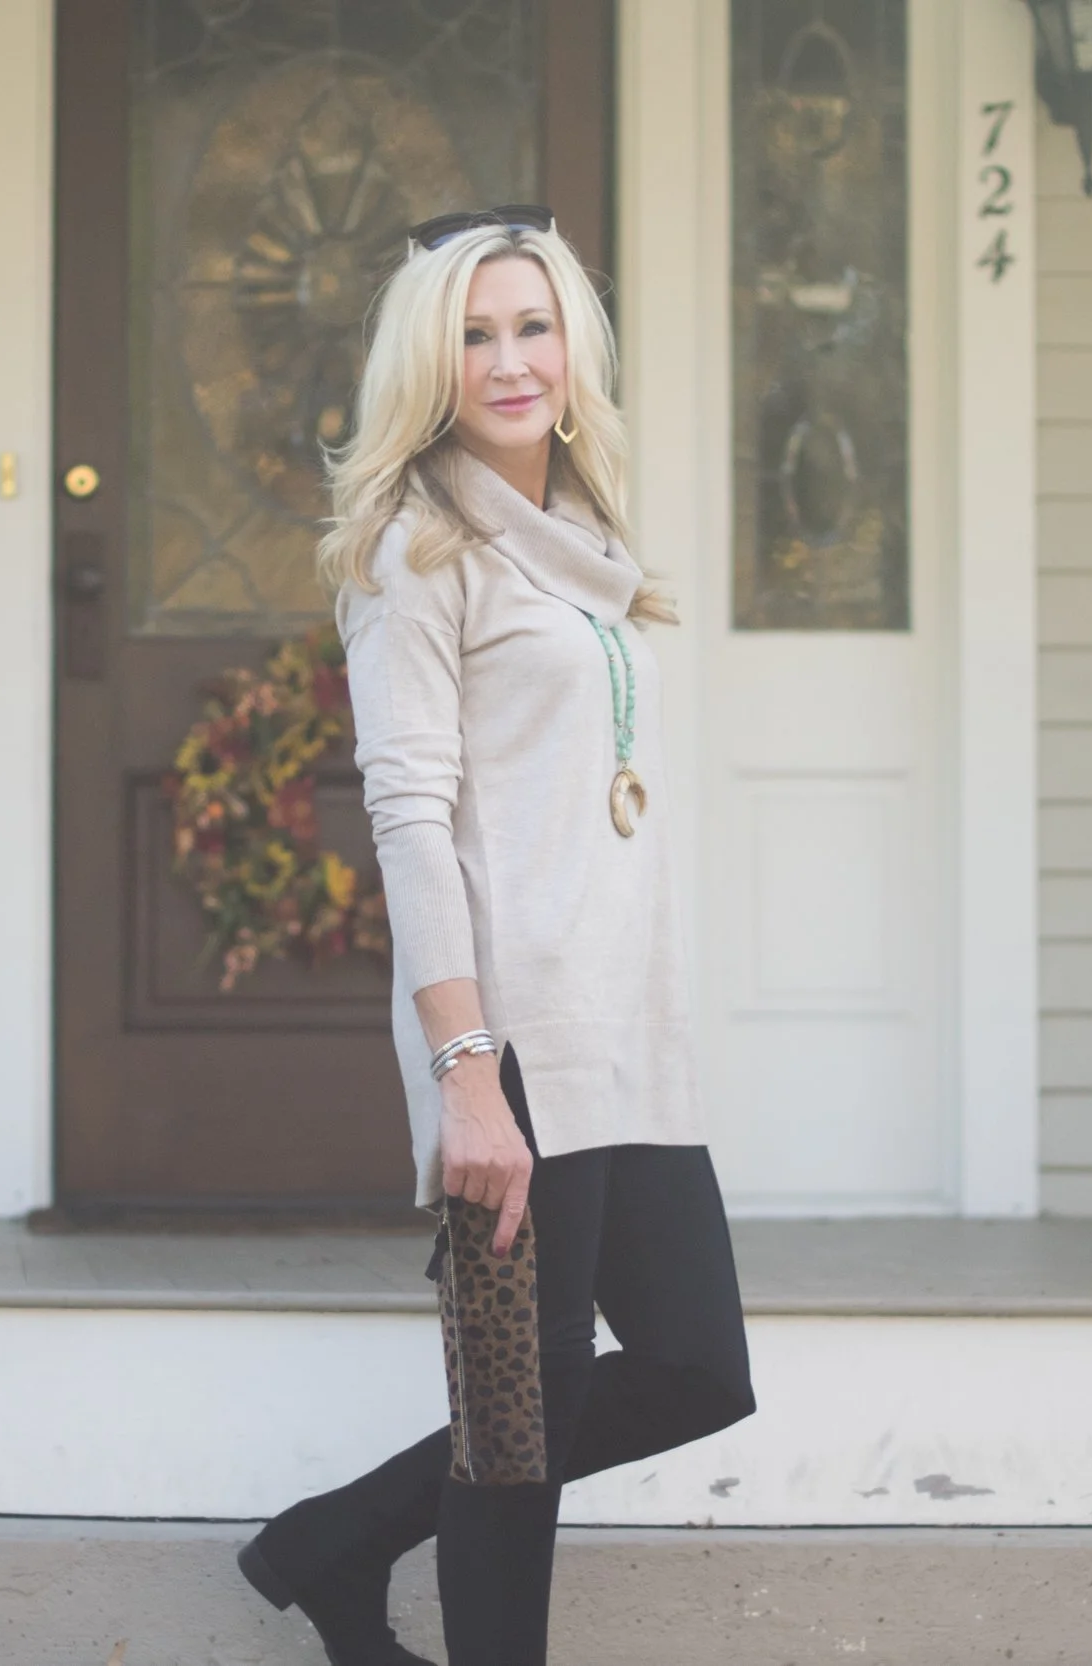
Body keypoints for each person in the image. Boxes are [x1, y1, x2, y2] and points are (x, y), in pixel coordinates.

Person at [233, 206, 757, 1666]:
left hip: (627, 1031)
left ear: (575, 347)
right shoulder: (417, 551)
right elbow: (409, 818)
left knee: (696, 1366)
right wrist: (465, 1073)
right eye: (474, 335)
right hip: (514, 1037)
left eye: (534, 326)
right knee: (518, 1426)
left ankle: (330, 1541)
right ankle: (344, 1558)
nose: (511, 360)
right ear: (429, 362)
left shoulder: (580, 537)